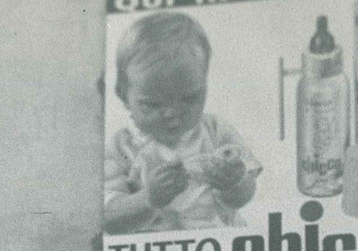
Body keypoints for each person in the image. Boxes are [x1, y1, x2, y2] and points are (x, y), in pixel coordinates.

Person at [103, 12, 260, 234]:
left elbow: (245, 195)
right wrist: (149, 198)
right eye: (153, 104)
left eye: (189, 99)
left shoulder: (215, 131)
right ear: (123, 95)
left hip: (218, 241)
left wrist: (235, 182)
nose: (172, 115)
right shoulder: (120, 148)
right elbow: (108, 219)